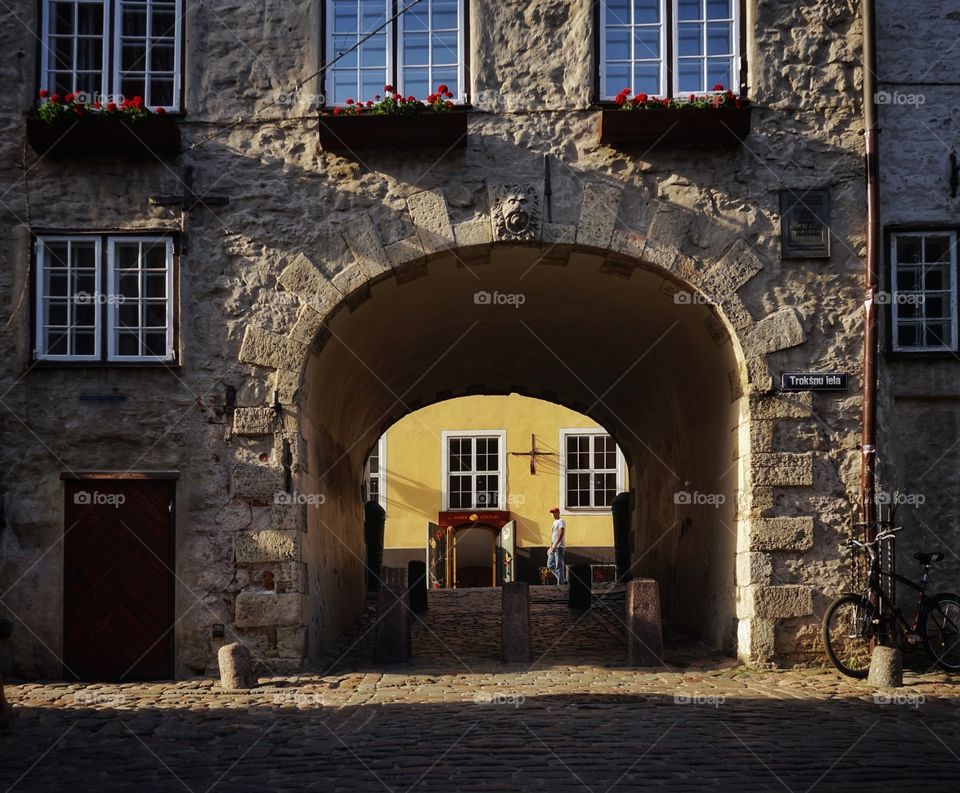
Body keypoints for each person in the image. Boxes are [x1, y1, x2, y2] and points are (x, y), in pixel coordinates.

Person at [547, 507, 566, 585]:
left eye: (554, 512)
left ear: (558, 513)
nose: (553, 514)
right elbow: (553, 535)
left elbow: (562, 533)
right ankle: (562, 579)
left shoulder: (561, 521)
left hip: (559, 547)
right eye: (552, 513)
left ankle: (561, 584)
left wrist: (556, 544)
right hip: (553, 547)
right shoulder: (554, 522)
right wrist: (550, 546)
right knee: (550, 565)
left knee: (559, 566)